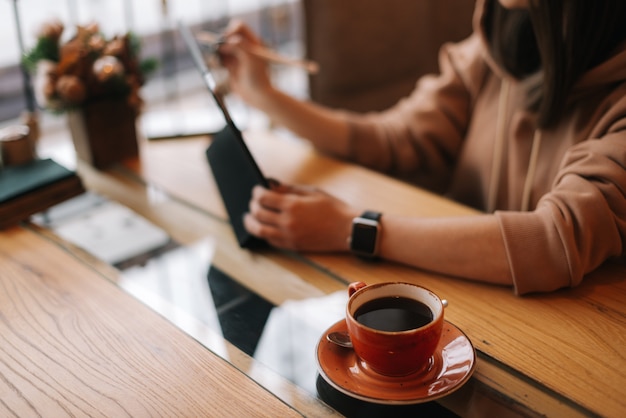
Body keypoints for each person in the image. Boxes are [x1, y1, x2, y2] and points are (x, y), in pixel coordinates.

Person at [217, 0, 626, 295]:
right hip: (465, 303)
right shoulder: (499, 39)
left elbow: (554, 242)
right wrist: (264, 95)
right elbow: (395, 139)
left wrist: (351, 228)